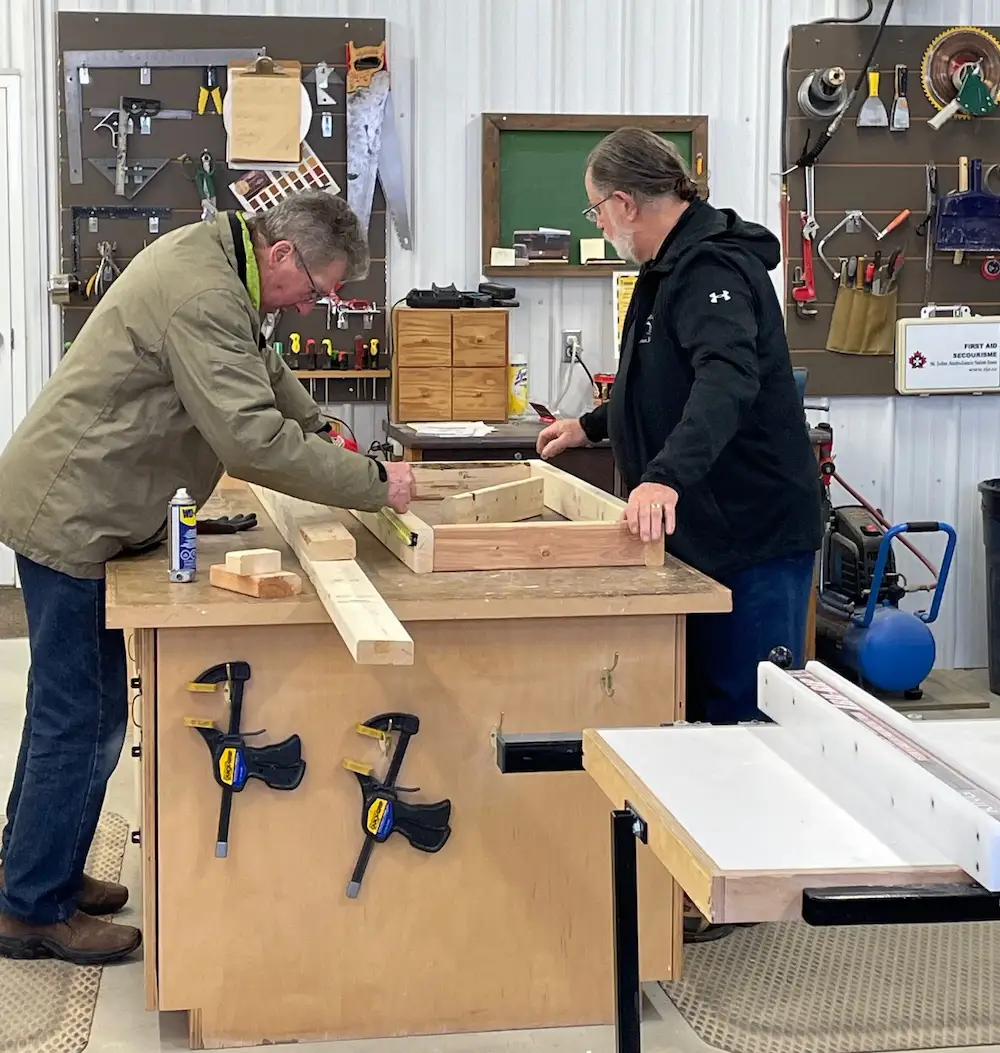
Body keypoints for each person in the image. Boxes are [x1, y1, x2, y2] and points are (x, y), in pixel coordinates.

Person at [0, 190, 414, 964]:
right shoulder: (203, 291)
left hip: (88, 501)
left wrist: (325, 429)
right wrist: (371, 484)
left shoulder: (227, 263)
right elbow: (250, 440)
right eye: (317, 289)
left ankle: (29, 866)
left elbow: (262, 371)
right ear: (284, 254)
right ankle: (33, 906)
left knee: (64, 706)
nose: (315, 306)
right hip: (72, 508)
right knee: (83, 719)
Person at [537, 128, 822, 727]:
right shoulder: (667, 266)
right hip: (707, 531)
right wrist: (591, 427)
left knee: (747, 721)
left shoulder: (709, 266)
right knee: (699, 714)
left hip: (752, 537)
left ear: (624, 203)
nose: (599, 225)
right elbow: (660, 382)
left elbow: (725, 382)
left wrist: (664, 476)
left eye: (596, 209)